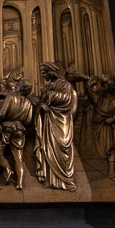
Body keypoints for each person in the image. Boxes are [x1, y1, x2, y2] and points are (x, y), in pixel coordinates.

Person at [34, 62, 79, 191]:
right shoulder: (48, 86)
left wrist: (49, 95)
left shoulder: (65, 84)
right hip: (48, 121)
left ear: (52, 72)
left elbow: (67, 98)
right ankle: (52, 180)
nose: (43, 76)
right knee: (48, 148)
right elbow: (41, 102)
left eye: (44, 73)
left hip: (61, 120)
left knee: (61, 145)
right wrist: (42, 104)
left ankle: (66, 180)